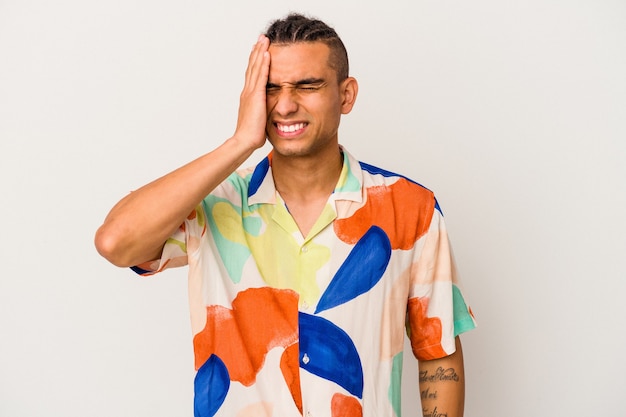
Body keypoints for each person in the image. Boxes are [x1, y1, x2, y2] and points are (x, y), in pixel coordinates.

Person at [95, 13, 476, 417]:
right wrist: (241, 142)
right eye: (270, 89)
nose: (286, 104)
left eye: (307, 86)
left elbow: (438, 353)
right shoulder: (214, 202)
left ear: (346, 95)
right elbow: (115, 242)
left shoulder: (410, 208)